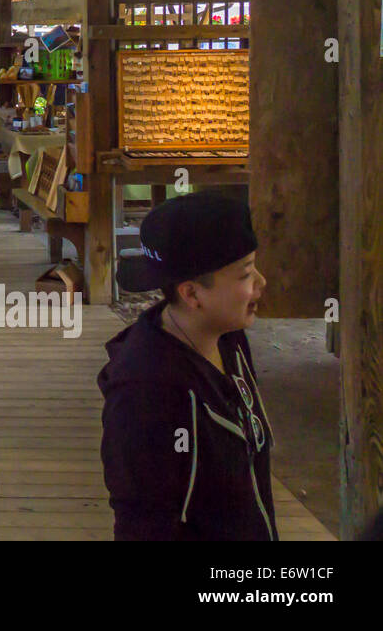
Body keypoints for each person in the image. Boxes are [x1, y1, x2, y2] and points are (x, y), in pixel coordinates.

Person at [99, 193, 277, 541]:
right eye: (244, 274)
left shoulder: (228, 338)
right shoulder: (145, 394)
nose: (261, 282)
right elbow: (143, 526)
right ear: (192, 294)